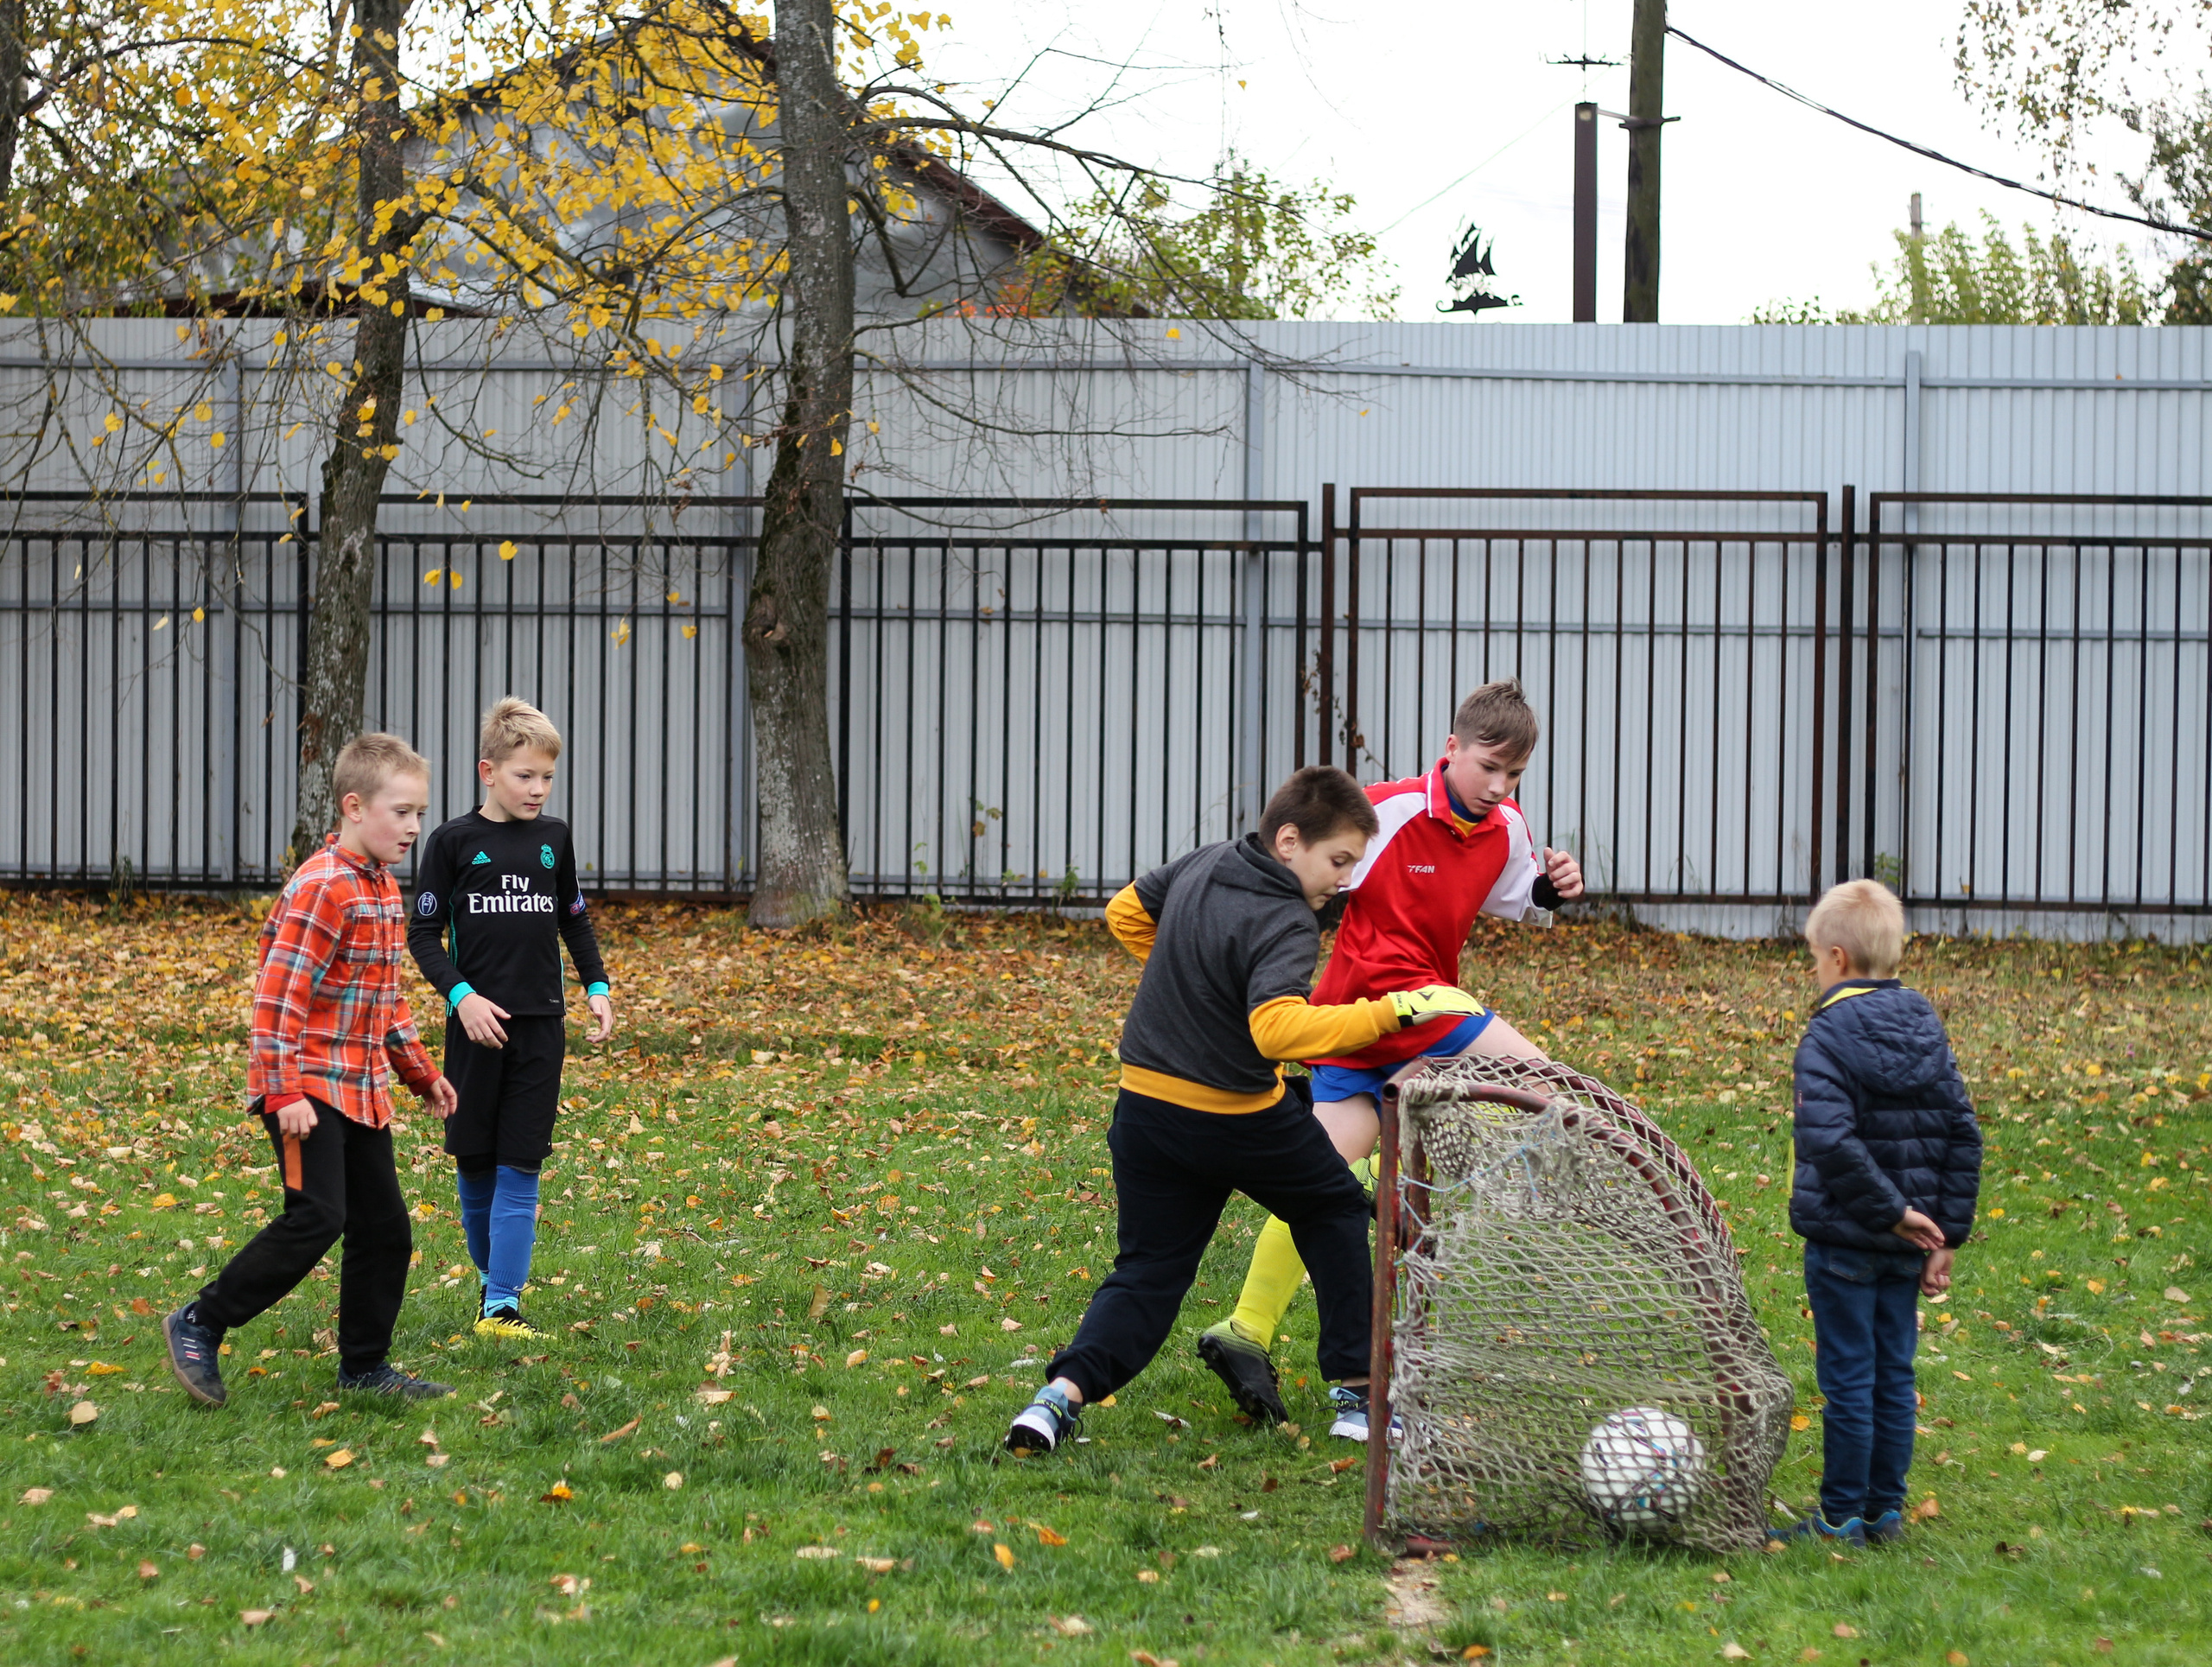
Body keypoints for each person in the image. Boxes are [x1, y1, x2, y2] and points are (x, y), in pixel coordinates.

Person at [1003, 767, 1484, 1455]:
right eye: (1339, 860)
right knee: (1337, 1210)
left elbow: (1126, 913)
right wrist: (1396, 1010)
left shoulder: (1206, 861)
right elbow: (1278, 1033)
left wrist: (1193, 982)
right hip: (1236, 1120)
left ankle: (1056, 1400)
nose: (1346, 880)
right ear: (1290, 841)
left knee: (1147, 1271)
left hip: (1144, 1111)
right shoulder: (1288, 917)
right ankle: (1356, 1396)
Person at [1198, 678, 1586, 1431]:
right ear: (1451, 749)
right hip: (1367, 1014)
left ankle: (1243, 1329)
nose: (1499, 787)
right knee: (1550, 1084)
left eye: (1514, 776)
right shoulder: (1388, 811)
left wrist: (1554, 888)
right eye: (1487, 767)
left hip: (1417, 1021)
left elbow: (1525, 901)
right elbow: (1300, 868)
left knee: (1323, 1176)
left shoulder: (1507, 827)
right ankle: (1537, 1209)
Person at [163, 734, 459, 1405]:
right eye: (402, 811)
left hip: (359, 1087)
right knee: (317, 1213)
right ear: (354, 807)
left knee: (385, 1228)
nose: (415, 827)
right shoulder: (324, 887)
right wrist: (283, 1089)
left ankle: (364, 1367)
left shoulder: (381, 887)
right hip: (305, 1084)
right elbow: (278, 996)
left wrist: (420, 1072)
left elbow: (384, 998)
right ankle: (200, 1322)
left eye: (420, 813)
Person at [1781, 879, 1980, 1548]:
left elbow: (1829, 1141)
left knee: (1850, 1380)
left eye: (1814, 957)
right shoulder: (1925, 1023)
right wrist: (1944, 1232)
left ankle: (1843, 1517)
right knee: (1894, 1375)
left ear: (1836, 959)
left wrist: (1893, 1213)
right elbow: (1963, 1131)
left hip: (1847, 1239)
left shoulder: (1827, 1034)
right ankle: (1884, 1513)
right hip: (1908, 1243)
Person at [408, 697, 613, 1341]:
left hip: (540, 1029)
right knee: (474, 1163)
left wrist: (597, 985)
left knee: (522, 1164)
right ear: (487, 771)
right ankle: (493, 1278)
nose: (538, 788)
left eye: (547, 776)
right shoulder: (451, 843)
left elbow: (572, 916)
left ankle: (500, 1306)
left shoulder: (554, 840)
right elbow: (422, 934)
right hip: (474, 1031)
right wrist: (460, 996)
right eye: (525, 775)